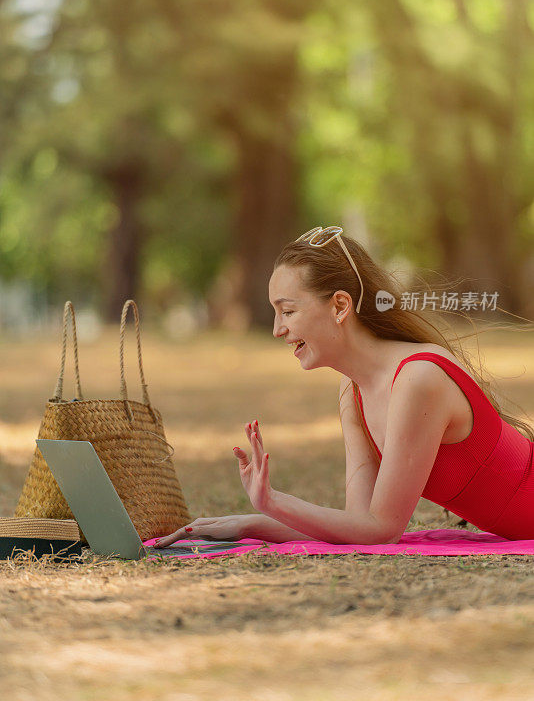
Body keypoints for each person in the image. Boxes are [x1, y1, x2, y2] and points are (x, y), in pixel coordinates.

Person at [154, 226, 534, 548]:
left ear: (339, 306)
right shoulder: (352, 391)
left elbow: (382, 530)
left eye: (288, 311)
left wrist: (272, 503)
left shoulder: (418, 380)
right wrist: (253, 524)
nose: (277, 329)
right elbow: (360, 523)